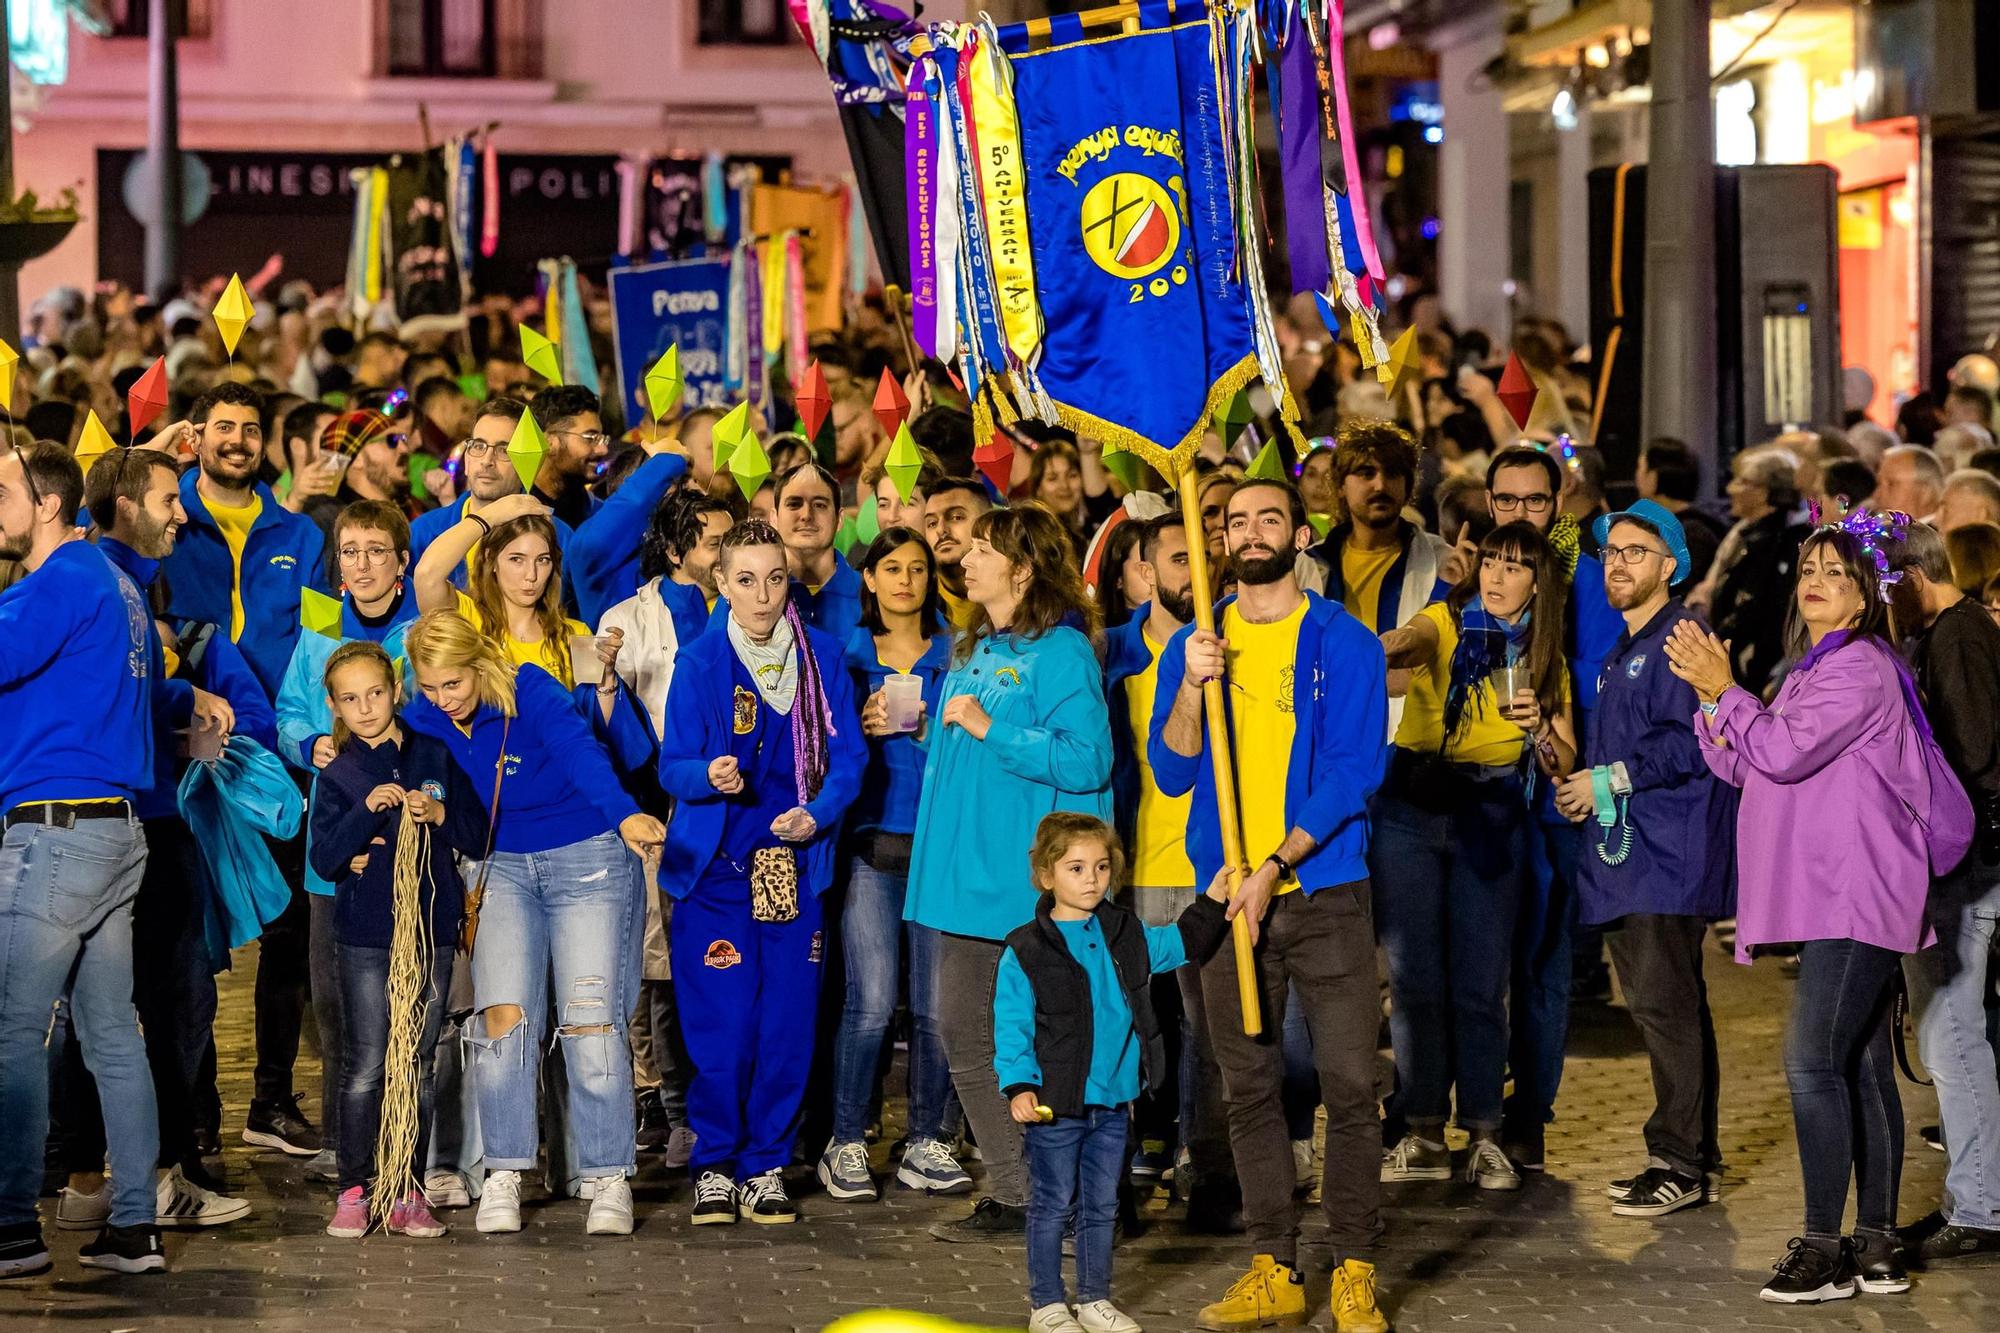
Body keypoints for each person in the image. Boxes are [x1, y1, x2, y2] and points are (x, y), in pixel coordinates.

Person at [1666, 516, 1972, 1303]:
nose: (1816, 580)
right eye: (1810, 566)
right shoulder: (1817, 666)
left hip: (1859, 890)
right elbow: (1746, 762)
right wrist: (1715, 702)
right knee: (1863, 1064)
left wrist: (1723, 689)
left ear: (1868, 594)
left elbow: (1777, 749)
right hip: (1844, 889)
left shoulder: (1858, 667)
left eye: (1838, 572)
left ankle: (1823, 1247)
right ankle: (1872, 1246)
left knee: (1809, 1060)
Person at [1151, 476, 1391, 1333]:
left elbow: (1356, 772)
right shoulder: (1198, 641)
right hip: (1227, 899)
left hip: (1321, 894)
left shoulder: (1343, 640)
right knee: (1247, 1089)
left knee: (1350, 1085)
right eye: (1237, 521)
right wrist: (1188, 685)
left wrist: (1276, 863)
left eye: (1270, 518)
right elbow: (1175, 768)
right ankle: (1274, 1267)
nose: (1252, 533)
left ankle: (1355, 1268)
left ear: (1300, 533)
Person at [400, 610, 666, 1236]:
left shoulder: (529, 688)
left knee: (591, 1021)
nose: (445, 700)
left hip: (589, 857)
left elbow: (581, 753)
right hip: (501, 870)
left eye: (455, 684)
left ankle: (607, 1177)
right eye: (431, 687)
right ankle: (504, 1172)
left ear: (479, 665)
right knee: (504, 1024)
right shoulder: (424, 714)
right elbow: (382, 743)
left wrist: (626, 817)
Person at [58, 448, 260, 1230]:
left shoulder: (126, 587)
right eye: (169, 499)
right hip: (128, 822)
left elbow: (130, 691)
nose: (182, 513)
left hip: (138, 815)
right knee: (170, 1004)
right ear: (121, 505)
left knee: (117, 1009)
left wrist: (184, 699)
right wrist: (179, 708)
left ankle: (100, 1179)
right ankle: (149, 1176)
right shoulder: (101, 583)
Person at [906, 503, 1113, 1241]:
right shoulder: (975, 648)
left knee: (1022, 1046)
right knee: (965, 1037)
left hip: (1017, 886)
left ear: (1023, 568)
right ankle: (1029, 1193)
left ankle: (1057, 1197)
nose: (965, 558)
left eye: (984, 550)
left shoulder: (1061, 651)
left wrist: (994, 728)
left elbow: (1089, 759)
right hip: (961, 881)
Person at [655, 520, 865, 1225]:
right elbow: (670, 765)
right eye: (746, 579)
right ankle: (715, 1162)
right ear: (721, 583)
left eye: (776, 578)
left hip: (794, 867)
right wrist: (706, 774)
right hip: (718, 871)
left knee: (785, 1024)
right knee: (723, 1025)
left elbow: (850, 760)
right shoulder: (702, 661)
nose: (763, 594)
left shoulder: (823, 657)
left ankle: (766, 1162)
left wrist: (819, 813)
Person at [0, 443, 167, 1276]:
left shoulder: (60, 580)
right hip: (113, 830)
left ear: (49, 503)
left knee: (11, 1030)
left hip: (58, 831)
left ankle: (10, 1228)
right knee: (110, 1036)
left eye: (2, 491)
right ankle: (134, 1226)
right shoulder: (117, 584)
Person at [1375, 522, 1576, 1193]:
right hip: (1413, 803)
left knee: (1481, 980)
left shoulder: (1544, 655)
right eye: (1491, 560)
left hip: (1490, 812)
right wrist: (1384, 648)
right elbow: (1414, 641)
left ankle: (1486, 1130)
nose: (1496, 575)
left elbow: (1563, 760)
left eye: (1515, 566)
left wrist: (1538, 724)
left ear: (1537, 583)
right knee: (1413, 978)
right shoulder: (1448, 617)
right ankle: (1423, 1127)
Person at [159, 381, 331, 1161]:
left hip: (278, 758)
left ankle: (270, 1099)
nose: (237, 440)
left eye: (249, 429)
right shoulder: (166, 519)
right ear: (195, 435)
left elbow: (319, 640)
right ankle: (197, 1110)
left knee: (289, 934)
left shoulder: (299, 530)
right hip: (187, 757)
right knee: (191, 935)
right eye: (222, 427)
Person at [1552, 502, 1736, 1218]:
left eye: (1636, 551)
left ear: (1672, 565)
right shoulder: (1627, 646)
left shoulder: (1681, 636)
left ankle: (1681, 1160)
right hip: (1635, 854)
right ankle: (1687, 1155)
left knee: (1666, 1007)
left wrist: (1610, 780)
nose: (1619, 563)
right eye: (1612, 552)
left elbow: (1702, 736)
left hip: (1667, 855)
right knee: (1668, 1007)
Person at [996, 813, 1231, 1333]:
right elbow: (1011, 1026)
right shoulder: (1025, 950)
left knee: (1103, 1206)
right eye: (1076, 867)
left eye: (1101, 867)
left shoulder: (1125, 931)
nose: (1091, 878)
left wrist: (1213, 900)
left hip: (1114, 1102)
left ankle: (1094, 1299)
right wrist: (1018, 1085)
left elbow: (1179, 943)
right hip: (1054, 1104)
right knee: (1053, 1205)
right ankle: (1047, 1305)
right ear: (1046, 875)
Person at [309, 642, 488, 1240]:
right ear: (334, 704)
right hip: (365, 938)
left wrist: (437, 817)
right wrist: (366, 812)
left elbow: (477, 834)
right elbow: (326, 858)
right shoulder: (337, 775)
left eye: (376, 694)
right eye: (351, 699)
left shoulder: (432, 754)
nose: (366, 708)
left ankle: (407, 1187)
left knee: (415, 1060)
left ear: (396, 692)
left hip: (430, 934)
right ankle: (356, 1188)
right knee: (367, 1064)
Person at [273, 499, 422, 1182]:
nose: (361, 563)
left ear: (402, 561)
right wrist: (311, 744)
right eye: (350, 550)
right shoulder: (319, 623)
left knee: (407, 997)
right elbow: (289, 712)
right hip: (333, 852)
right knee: (334, 1004)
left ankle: (409, 1142)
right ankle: (341, 1142)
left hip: (405, 847)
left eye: (376, 550)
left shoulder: (422, 627)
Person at [820, 528, 969, 1202]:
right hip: (872, 846)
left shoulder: (959, 654)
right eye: (891, 568)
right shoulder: (845, 658)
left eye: (918, 567)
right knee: (873, 1003)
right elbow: (817, 748)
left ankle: (926, 1139)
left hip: (939, 848)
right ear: (869, 580)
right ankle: (847, 1139)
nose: (905, 578)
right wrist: (859, 723)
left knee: (937, 1008)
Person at [1102, 515, 1230, 1220]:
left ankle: (1203, 1170)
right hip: (1128, 866)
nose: (1198, 570)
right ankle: (1115, 1179)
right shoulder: (1107, 651)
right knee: (1125, 1030)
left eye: (1206, 556)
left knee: (1209, 1037)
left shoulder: (1226, 643)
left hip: (1208, 865)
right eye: (1182, 558)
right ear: (1145, 572)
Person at [1883, 522, 2000, 1261]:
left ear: (1912, 578)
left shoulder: (1955, 637)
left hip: (1966, 867)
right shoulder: (1962, 630)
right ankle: (1980, 1193)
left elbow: (1976, 751)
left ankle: (1981, 1202)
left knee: (1951, 1035)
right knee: (1962, 1031)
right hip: (1973, 861)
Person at [407, 397, 578, 597]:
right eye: (479, 446)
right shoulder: (423, 532)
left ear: (527, 463)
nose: (487, 461)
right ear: (467, 459)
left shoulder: (559, 536)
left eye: (503, 450)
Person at [414, 495, 588, 684]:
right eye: (517, 559)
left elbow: (593, 712)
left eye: (542, 560)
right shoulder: (466, 620)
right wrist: (489, 516)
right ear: (491, 559)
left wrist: (608, 678)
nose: (531, 575)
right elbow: (427, 576)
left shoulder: (578, 635)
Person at [1697, 445, 1809, 697]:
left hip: (1754, 676)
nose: (1730, 489)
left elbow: (1770, 610)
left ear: (1765, 492)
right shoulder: (1743, 534)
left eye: (1743, 481)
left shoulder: (1781, 543)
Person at [771, 462, 864, 640]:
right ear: (774, 518)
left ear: (839, 519)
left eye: (820, 505)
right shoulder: (743, 594)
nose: (806, 515)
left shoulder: (873, 595)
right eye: (794, 504)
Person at [1634, 438, 1727, 588]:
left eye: (1640, 468)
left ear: (1654, 477)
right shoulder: (1661, 525)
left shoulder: (1693, 534)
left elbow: (1676, 590)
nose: (1637, 477)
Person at [528, 386, 611, 530]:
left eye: (602, 439)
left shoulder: (597, 513)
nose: (603, 450)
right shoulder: (515, 510)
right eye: (591, 437)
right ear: (549, 442)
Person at [923, 476, 993, 628]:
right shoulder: (917, 603)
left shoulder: (1019, 595)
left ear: (988, 522)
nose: (941, 530)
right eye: (932, 523)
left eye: (956, 517)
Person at [1874, 444, 1946, 522]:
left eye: (1892, 484)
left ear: (1925, 492)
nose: (1878, 495)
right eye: (1879, 484)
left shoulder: (1944, 533)